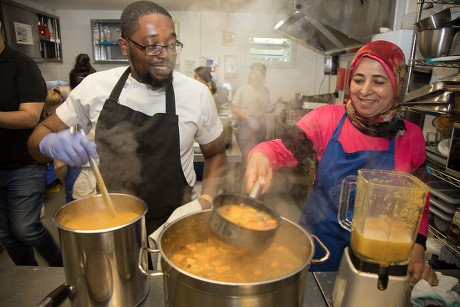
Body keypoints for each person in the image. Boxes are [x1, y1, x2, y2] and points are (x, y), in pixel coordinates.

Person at [243, 41, 437, 286]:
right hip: (319, 246)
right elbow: (281, 148)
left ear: (396, 85)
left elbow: (419, 203)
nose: (365, 90)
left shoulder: (411, 137)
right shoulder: (325, 120)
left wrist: (418, 247)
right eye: (358, 80)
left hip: (379, 258)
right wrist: (261, 155)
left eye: (378, 81)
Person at [28, 1, 227, 236]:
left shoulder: (196, 94)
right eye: (152, 46)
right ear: (124, 46)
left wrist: (204, 200)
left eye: (171, 44)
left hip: (176, 222)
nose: (165, 56)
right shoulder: (94, 87)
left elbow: (215, 154)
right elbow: (36, 141)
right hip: (111, 223)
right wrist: (48, 144)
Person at [0, 21, 62, 266]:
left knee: (26, 228)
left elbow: (30, 116)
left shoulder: (20, 65)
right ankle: (29, 276)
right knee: (7, 235)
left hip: (23, 164)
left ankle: (60, 267)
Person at [231, 63, 276, 162]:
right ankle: (245, 175)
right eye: (253, 74)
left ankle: (256, 175)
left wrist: (269, 108)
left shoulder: (265, 91)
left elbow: (264, 107)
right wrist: (249, 118)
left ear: (263, 77)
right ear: (250, 75)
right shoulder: (242, 89)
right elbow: (234, 108)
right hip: (245, 125)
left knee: (259, 153)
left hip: (261, 125)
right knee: (247, 154)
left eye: (259, 75)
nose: (255, 77)